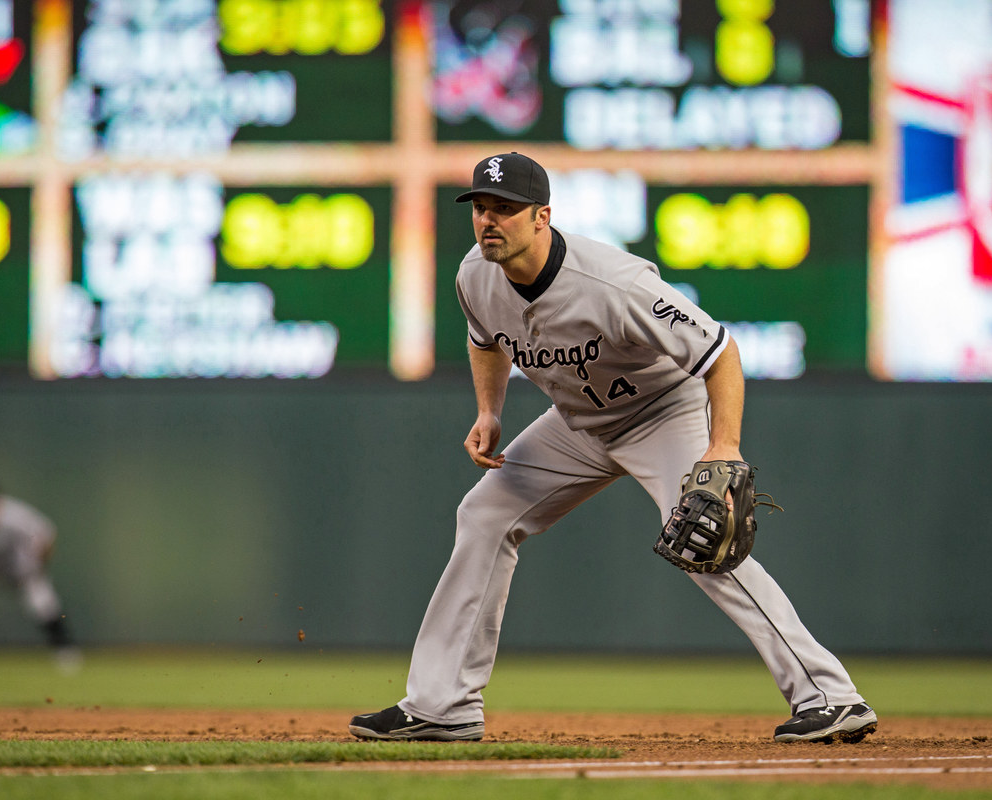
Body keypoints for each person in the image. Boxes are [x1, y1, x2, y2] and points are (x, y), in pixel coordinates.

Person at [349, 152, 875, 744]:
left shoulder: (613, 284)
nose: (489, 221)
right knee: (485, 513)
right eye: (481, 208)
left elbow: (720, 351)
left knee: (702, 543)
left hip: (661, 411)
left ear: (542, 216)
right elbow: (487, 339)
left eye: (506, 209)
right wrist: (490, 411)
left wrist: (722, 447)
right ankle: (442, 706)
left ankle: (830, 696)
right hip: (578, 423)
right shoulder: (475, 274)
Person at [0, 476, 79, 664]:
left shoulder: (13, 514)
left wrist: (39, 565)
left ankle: (66, 653)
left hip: (19, 565)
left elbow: (46, 533)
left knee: (43, 602)